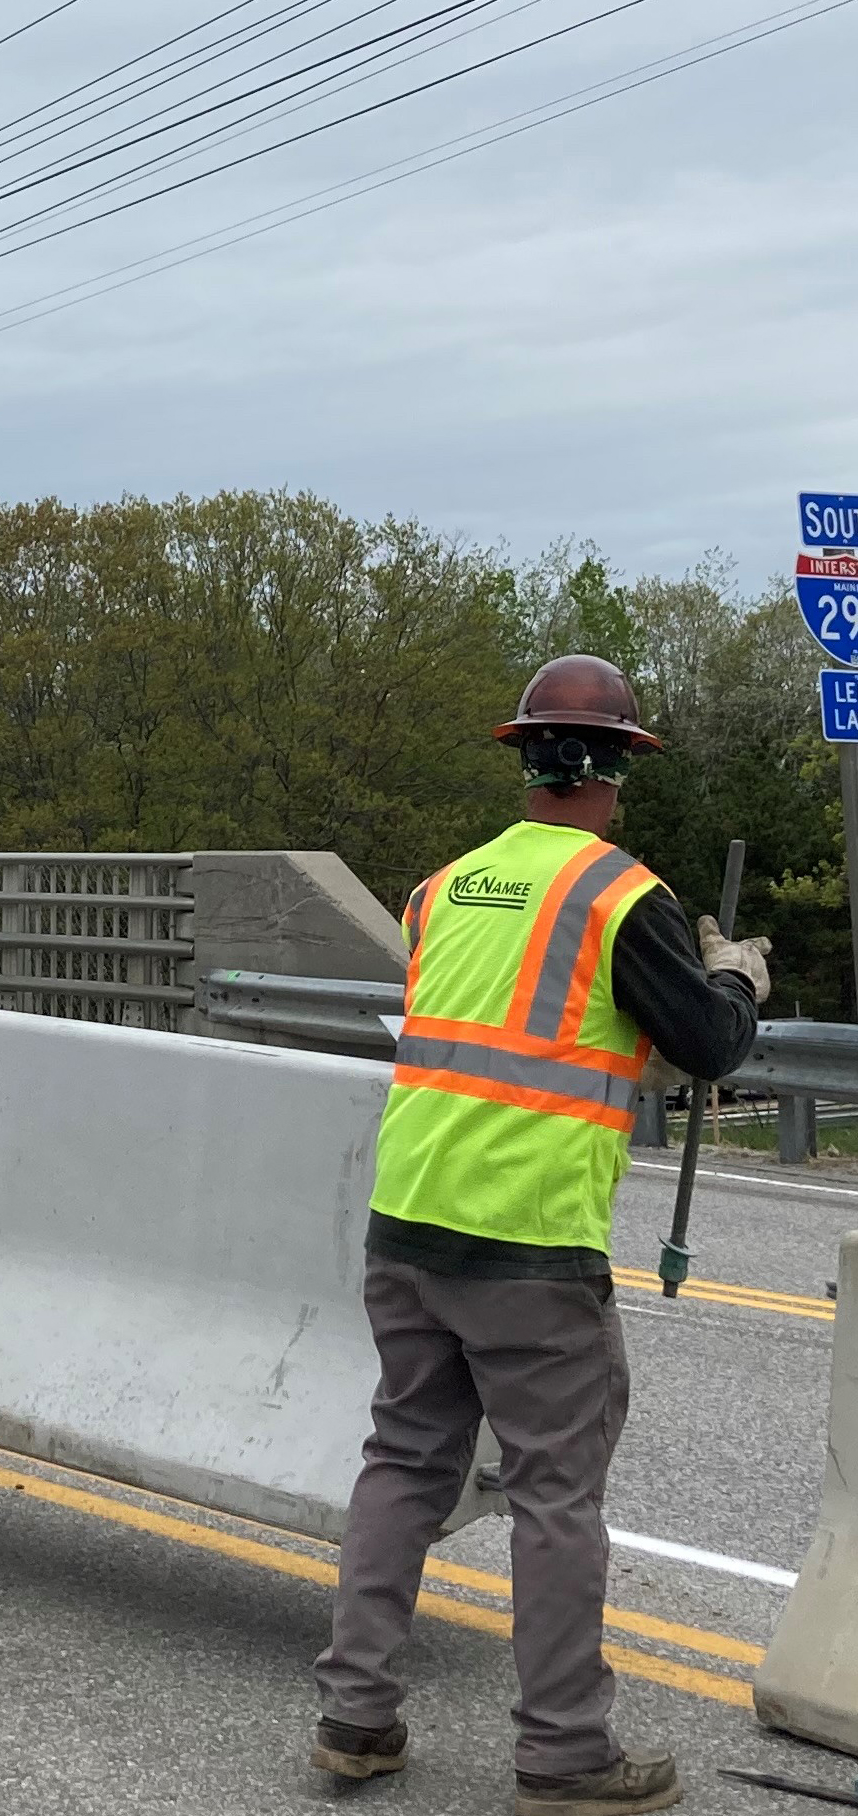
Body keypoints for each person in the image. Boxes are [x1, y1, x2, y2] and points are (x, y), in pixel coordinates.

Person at [309, 655, 770, 1814]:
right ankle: (564, 1755)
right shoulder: (624, 898)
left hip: (408, 1221)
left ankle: (352, 1719)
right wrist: (735, 980)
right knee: (555, 1496)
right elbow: (707, 1046)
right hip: (528, 1244)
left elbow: (509, 1022)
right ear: (618, 768)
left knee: (403, 1465)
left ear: (524, 760)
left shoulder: (442, 889)